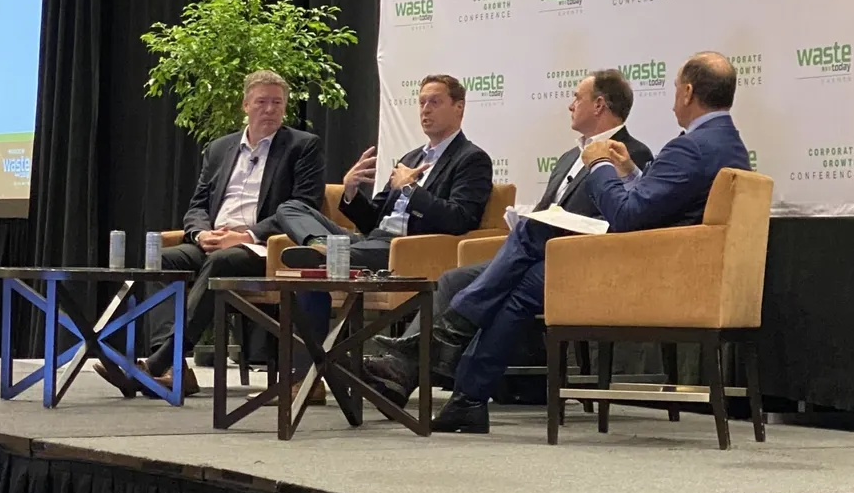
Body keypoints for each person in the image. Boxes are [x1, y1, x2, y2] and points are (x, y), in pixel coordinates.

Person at [367, 52, 750, 433]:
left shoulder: (691, 147)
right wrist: (630, 173)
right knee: (522, 283)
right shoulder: (726, 144)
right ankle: (466, 394)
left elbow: (629, 215)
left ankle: (445, 340)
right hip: (643, 260)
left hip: (639, 270)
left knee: (531, 236)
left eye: (673, 90)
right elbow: (659, 204)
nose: (672, 101)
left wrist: (600, 164)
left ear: (687, 92)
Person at [373, 70, 655, 376]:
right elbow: (548, 210)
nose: (570, 106)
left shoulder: (631, 154)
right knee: (452, 279)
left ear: (599, 105)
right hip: (530, 252)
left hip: (576, 261)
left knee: (496, 290)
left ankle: (410, 367)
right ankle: (406, 368)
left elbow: (618, 221)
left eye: (576, 97)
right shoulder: (566, 158)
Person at [94, 69, 324, 398]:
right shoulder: (220, 149)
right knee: (161, 260)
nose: (270, 109)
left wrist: (246, 235)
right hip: (213, 241)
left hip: (262, 248)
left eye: (277, 103)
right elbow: (197, 205)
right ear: (245, 105)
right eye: (262, 102)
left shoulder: (302, 147)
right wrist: (201, 234)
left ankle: (158, 363)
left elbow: (302, 207)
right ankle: (177, 371)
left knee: (222, 262)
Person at [275, 73, 493, 271]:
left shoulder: (471, 158)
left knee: (327, 261)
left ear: (459, 107)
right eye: (422, 102)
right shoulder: (411, 158)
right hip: (373, 241)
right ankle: (320, 246)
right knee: (290, 207)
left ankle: (327, 253)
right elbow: (373, 220)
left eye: (434, 102)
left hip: (406, 246)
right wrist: (351, 191)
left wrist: (410, 190)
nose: (425, 109)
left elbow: (460, 219)